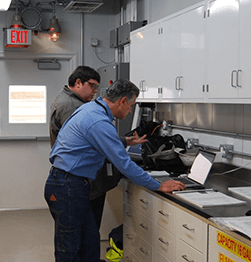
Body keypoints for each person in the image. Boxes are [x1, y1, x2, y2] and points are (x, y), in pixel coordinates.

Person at [45, 78, 185, 262]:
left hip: (70, 184)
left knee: (89, 243)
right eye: (131, 105)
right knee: (69, 248)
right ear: (122, 101)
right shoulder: (98, 120)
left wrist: (126, 141)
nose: (130, 111)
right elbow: (124, 164)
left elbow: (99, 141)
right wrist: (158, 186)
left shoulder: (91, 109)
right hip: (67, 186)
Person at [49, 66, 147, 232]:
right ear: (78, 83)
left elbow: (89, 138)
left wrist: (122, 141)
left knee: (84, 237)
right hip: (75, 180)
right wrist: (158, 186)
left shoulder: (85, 107)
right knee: (75, 239)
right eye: (93, 86)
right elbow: (120, 160)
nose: (95, 91)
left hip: (71, 176)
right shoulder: (74, 106)